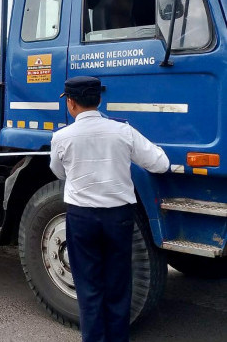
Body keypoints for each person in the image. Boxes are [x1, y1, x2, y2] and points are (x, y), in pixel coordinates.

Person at [49, 76, 169, 342]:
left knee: (88, 287)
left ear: (70, 103)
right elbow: (160, 163)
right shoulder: (123, 132)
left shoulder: (61, 137)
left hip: (81, 219)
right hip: (118, 218)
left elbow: (58, 172)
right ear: (99, 100)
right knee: (118, 284)